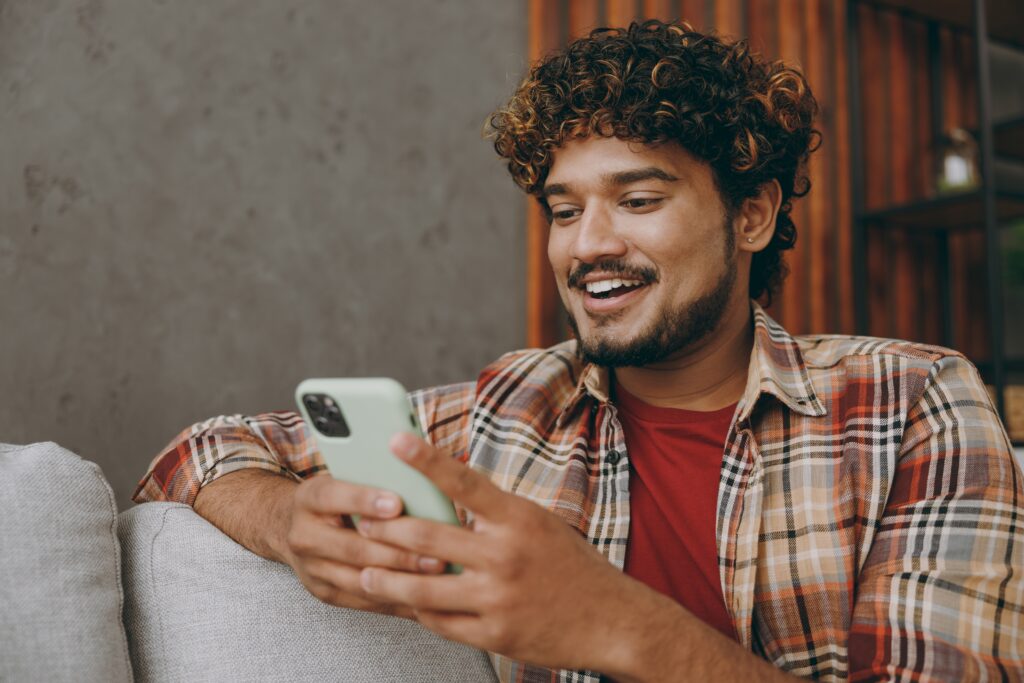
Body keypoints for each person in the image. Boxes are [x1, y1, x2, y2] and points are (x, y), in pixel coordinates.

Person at [135, 20, 1023, 682]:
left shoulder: (914, 399)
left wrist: (610, 621)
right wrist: (289, 523)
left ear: (750, 214)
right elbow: (197, 452)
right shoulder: (510, 403)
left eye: (637, 199)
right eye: (564, 209)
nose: (585, 243)